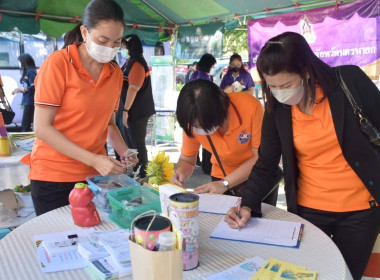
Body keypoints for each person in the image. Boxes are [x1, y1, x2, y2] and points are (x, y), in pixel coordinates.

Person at [224, 32, 380, 280]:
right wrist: (247, 204)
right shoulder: (277, 109)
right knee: (303, 273)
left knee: (343, 276)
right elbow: (266, 164)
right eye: (272, 86)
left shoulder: (348, 82)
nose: (279, 93)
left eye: (285, 85)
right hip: (308, 210)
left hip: (360, 211)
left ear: (306, 71)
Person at [23, 0, 137, 216]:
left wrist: (125, 152)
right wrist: (94, 159)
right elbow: (42, 128)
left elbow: (110, 123)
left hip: (94, 178)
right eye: (103, 40)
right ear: (85, 32)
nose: (110, 48)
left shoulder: (114, 73)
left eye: (117, 42)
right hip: (53, 176)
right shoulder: (58, 64)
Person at [170, 79, 280, 205]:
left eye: (204, 124)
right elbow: (187, 159)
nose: (199, 129)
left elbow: (261, 158)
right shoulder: (191, 119)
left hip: (258, 177)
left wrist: (225, 183)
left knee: (261, 221)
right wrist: (180, 175)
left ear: (220, 109)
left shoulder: (250, 107)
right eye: (196, 125)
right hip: (221, 177)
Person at [119, 34, 155, 179]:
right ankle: (134, 170)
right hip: (129, 110)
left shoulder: (137, 64)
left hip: (137, 112)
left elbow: (133, 88)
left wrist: (126, 110)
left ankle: (143, 173)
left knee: (137, 143)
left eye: (123, 47)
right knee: (130, 143)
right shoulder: (129, 62)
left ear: (129, 47)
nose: (121, 49)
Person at [11, 54, 37, 131]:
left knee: (25, 124)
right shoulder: (28, 72)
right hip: (27, 100)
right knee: (26, 123)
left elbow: (34, 87)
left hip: (30, 101)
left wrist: (20, 90)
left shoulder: (30, 72)